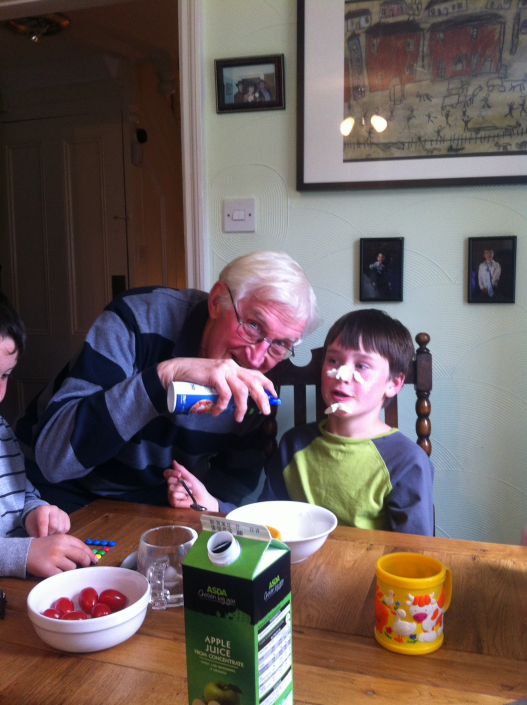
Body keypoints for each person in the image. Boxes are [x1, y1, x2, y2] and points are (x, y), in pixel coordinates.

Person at [16, 251, 318, 513]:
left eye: (281, 344)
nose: (257, 357)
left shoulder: (261, 375)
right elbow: (55, 459)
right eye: (253, 325)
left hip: (155, 506)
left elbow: (232, 482)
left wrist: (200, 502)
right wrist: (164, 377)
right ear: (216, 302)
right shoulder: (138, 317)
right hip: (54, 493)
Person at [166, 309, 434, 536]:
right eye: (333, 360)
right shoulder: (293, 444)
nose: (342, 375)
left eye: (361, 366)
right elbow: (267, 526)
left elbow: (414, 554)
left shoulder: (407, 462)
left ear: (393, 383)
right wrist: (211, 504)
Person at [0, 296, 95, 577]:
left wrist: (36, 512)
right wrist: (23, 554)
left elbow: (21, 494)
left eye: (5, 375)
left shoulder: (3, 430)